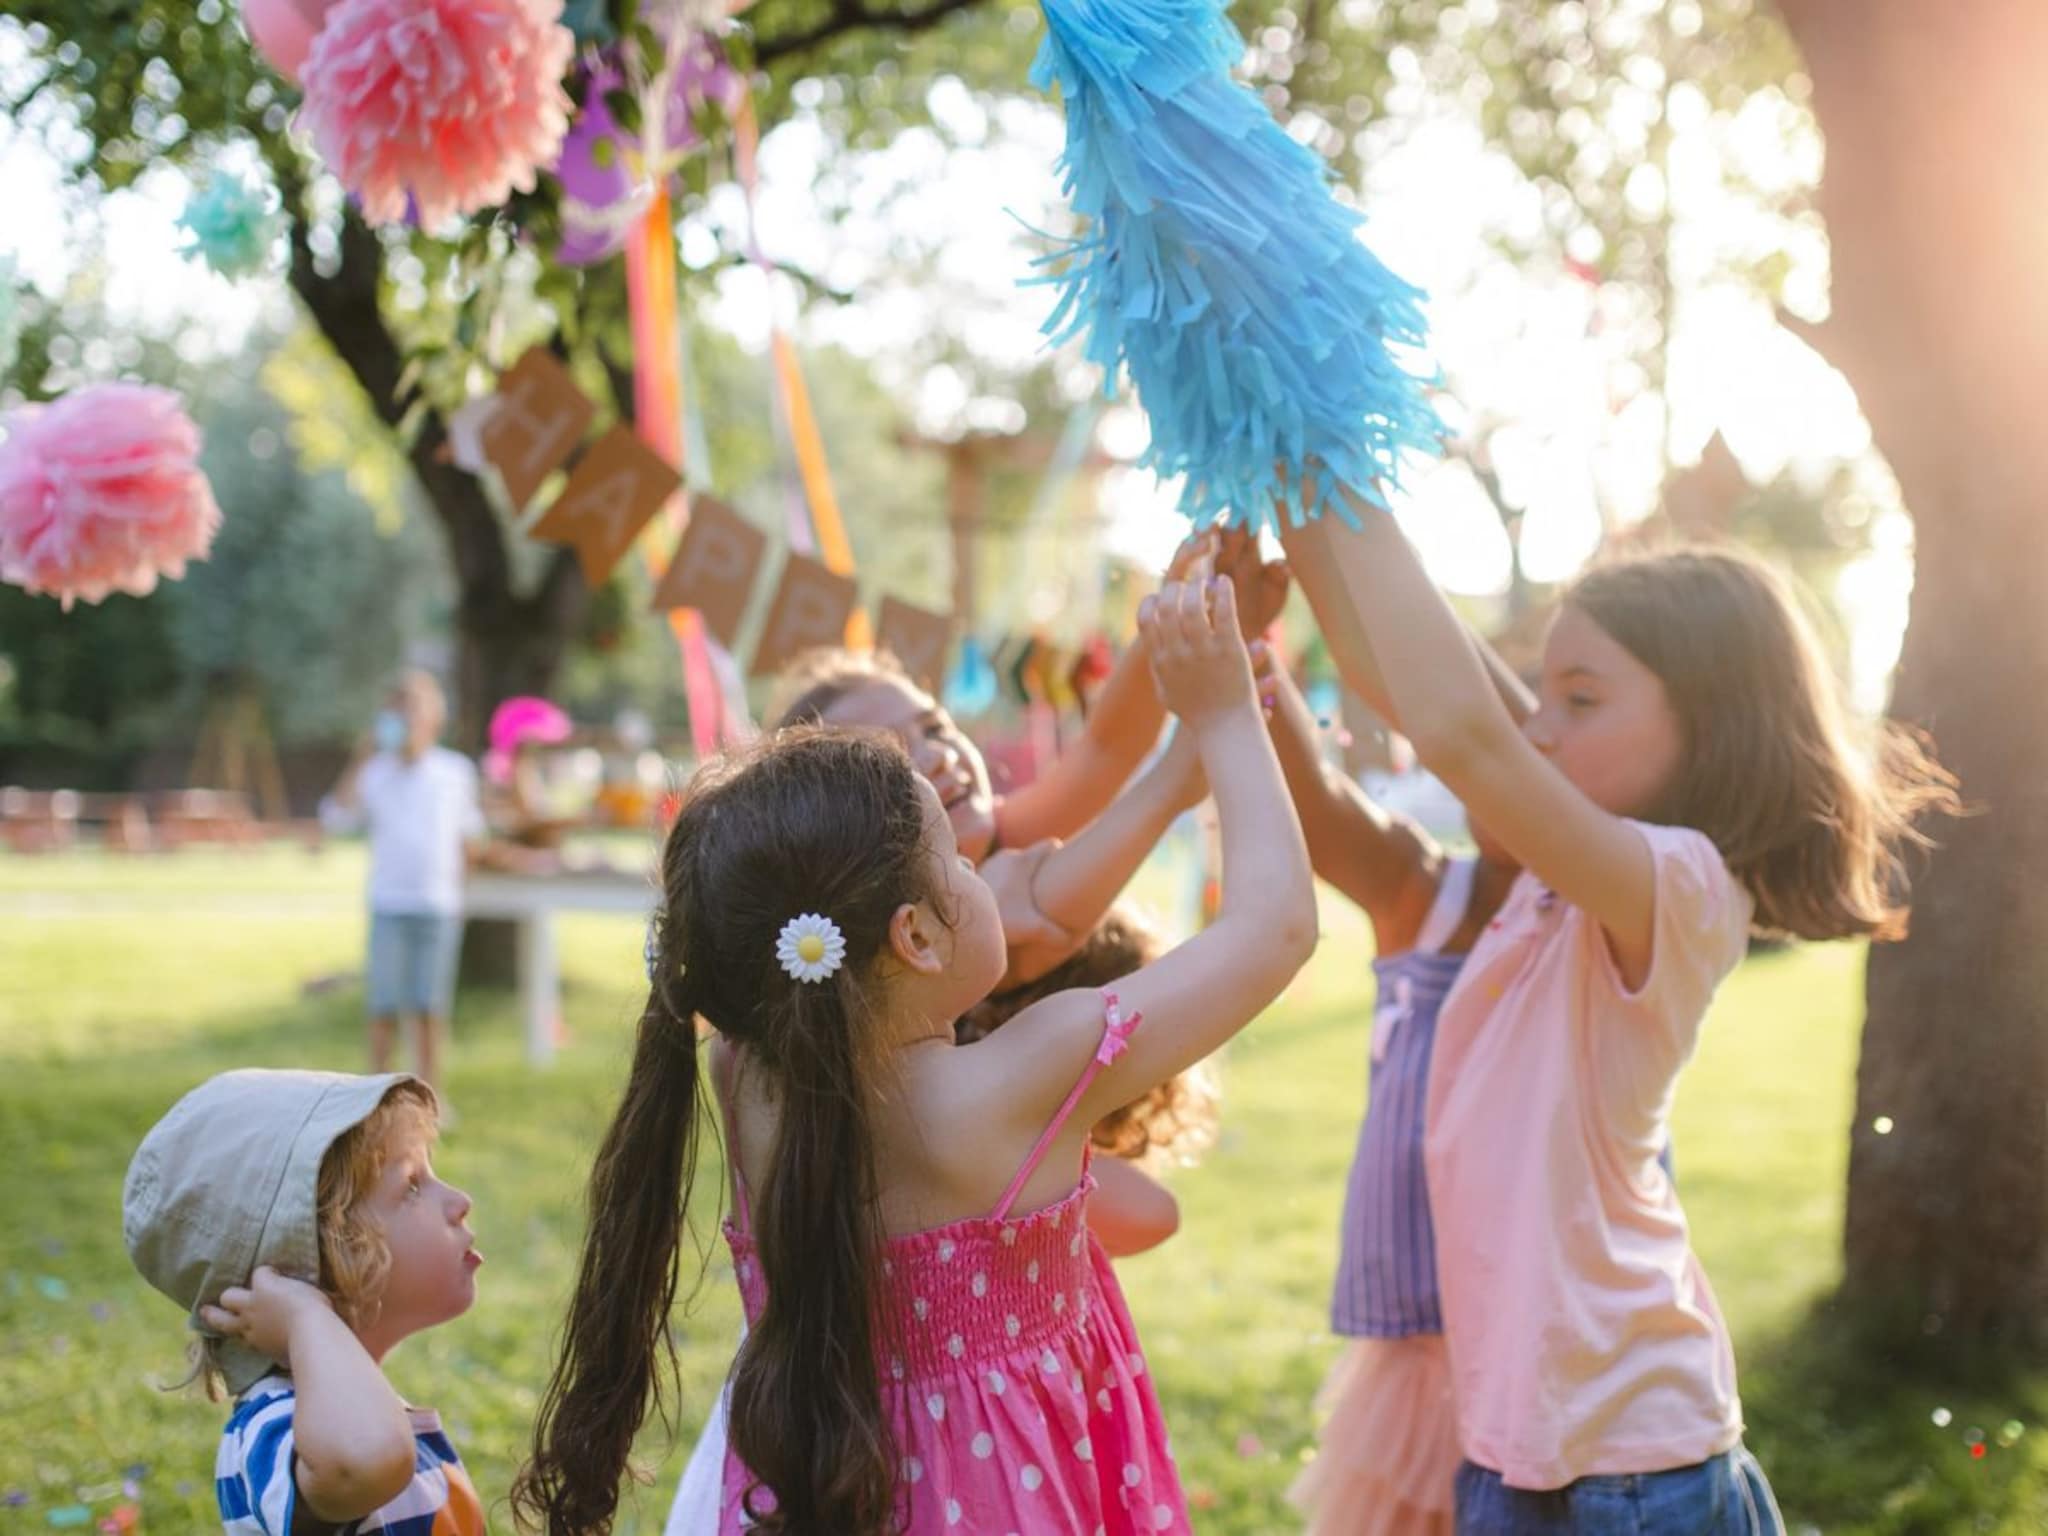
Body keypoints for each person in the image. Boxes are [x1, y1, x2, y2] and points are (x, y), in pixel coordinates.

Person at [516, 576, 1315, 1536]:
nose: (992, 875)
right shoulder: (1022, 1078)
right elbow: (1274, 929)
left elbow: (878, 975)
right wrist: (1227, 717)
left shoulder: (747, 1074)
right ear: (916, 938)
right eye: (963, 865)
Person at [1282, 496, 1955, 1533]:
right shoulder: (1553, 876)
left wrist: (1332, 459)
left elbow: (1465, 736)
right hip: (1515, 1451)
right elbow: (1401, 680)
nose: (1537, 726)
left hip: (1631, 1464)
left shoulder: (1680, 887)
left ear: (1710, 725)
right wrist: (1285, 478)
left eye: (1580, 698)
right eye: (1540, 693)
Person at [1253, 645, 1522, 1536]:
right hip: (1421, 1327)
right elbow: (1317, 799)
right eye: (1483, 744)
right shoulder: (1423, 889)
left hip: (1541, 1318)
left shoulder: (1598, 916)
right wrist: (1253, 656)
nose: (1501, 772)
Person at [123, 1070, 484, 1536]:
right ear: (308, 1264)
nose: (459, 1200)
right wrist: (305, 1316)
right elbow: (364, 1463)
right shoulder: (277, 1425)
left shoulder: (354, 1409)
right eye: (411, 1186)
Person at [321, 671, 484, 1099]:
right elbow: (335, 818)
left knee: (430, 1008)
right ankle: (375, 1100)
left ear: (434, 718)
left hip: (438, 906)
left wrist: (461, 896)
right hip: (389, 904)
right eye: (398, 710)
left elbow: (468, 840)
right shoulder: (374, 772)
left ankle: (429, 1097)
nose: (406, 719)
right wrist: (359, 759)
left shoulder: (455, 773)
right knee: (383, 1008)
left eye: (414, 709)